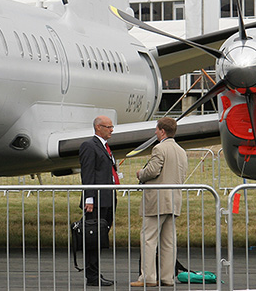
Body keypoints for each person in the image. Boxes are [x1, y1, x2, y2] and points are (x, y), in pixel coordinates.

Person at [131, 117, 188, 287]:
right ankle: (167, 277)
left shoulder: (159, 148)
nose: (155, 132)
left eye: (156, 129)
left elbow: (153, 170)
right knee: (169, 240)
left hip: (157, 200)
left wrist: (141, 173)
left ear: (162, 131)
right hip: (174, 199)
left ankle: (148, 277)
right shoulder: (181, 150)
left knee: (149, 238)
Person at [79, 115, 120, 287]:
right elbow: (87, 174)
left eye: (112, 127)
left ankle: (95, 273)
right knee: (93, 239)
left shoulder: (105, 147)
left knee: (100, 238)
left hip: (108, 199)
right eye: (108, 127)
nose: (111, 130)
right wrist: (89, 198)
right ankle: (93, 276)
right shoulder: (89, 146)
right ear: (98, 128)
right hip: (96, 201)